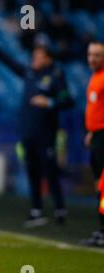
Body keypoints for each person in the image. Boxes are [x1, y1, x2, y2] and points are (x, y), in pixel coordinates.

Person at [0, 30, 75, 228]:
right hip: (28, 131)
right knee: (32, 171)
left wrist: (48, 102)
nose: (35, 59)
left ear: (48, 59)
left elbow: (68, 101)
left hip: (46, 132)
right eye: (34, 56)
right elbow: (10, 63)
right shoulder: (31, 73)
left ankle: (59, 208)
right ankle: (37, 210)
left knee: (50, 171)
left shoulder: (56, 75)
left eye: (39, 57)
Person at [81, 40, 104, 247]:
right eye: (90, 54)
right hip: (97, 135)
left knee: (103, 186)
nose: (93, 58)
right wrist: (92, 131)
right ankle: (101, 230)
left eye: (97, 55)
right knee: (99, 185)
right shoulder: (95, 78)